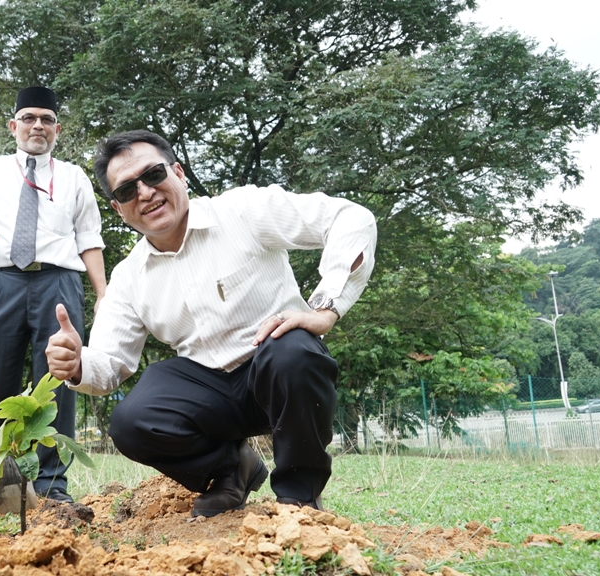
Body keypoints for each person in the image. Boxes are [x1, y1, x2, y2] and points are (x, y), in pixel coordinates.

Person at [45, 129, 376, 516]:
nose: (146, 193)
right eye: (127, 190)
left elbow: (351, 218)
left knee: (293, 351)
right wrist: (77, 363)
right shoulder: (128, 277)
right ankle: (231, 471)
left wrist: (324, 308)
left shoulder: (243, 210)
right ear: (119, 209)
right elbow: (109, 363)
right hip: (209, 396)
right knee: (131, 420)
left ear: (179, 173)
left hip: (279, 372)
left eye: (153, 175)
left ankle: (299, 500)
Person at [0, 87, 106, 503]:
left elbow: (89, 237)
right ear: (13, 125)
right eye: (30, 118)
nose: (39, 126)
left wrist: (103, 293)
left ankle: (53, 489)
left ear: (58, 130)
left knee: (57, 383)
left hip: (59, 284)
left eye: (47, 119)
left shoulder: (74, 177)